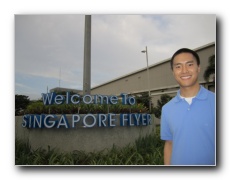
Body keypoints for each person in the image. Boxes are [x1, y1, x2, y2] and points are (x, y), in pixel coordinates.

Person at [160, 48, 215, 165]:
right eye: (178, 66)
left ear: (198, 68)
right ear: (173, 71)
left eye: (189, 64)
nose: (184, 71)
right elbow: (169, 144)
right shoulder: (167, 109)